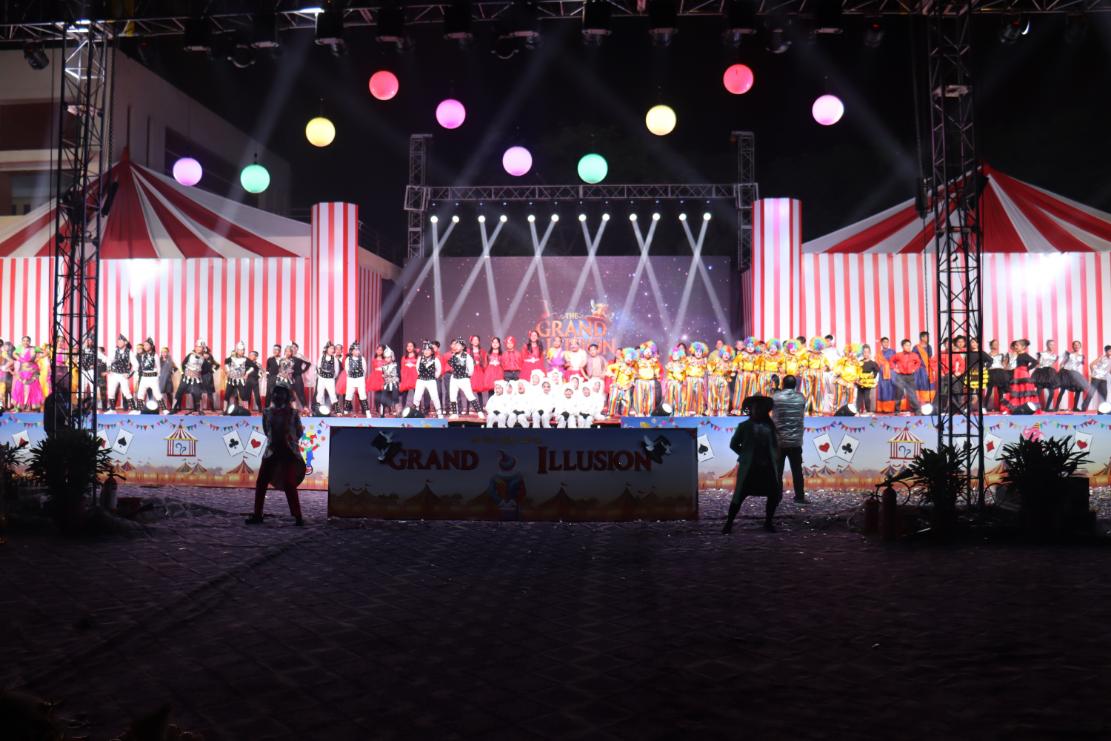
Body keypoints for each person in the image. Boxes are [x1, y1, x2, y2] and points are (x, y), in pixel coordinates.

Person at [722, 395, 783, 534]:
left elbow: (774, 444)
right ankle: (728, 524)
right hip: (750, 468)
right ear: (751, 410)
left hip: (767, 468)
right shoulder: (744, 426)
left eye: (761, 408)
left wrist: (775, 456)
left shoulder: (770, 426)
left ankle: (768, 522)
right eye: (756, 408)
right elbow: (733, 444)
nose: (758, 411)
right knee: (739, 495)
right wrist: (745, 456)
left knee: (773, 495)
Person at [246, 385, 305, 526]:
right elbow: (267, 431)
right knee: (261, 482)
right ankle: (257, 514)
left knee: (289, 483)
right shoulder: (267, 412)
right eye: (276, 393)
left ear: (287, 396)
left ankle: (298, 516)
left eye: (281, 393)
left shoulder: (293, 413)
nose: (278, 396)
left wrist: (289, 441)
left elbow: (299, 432)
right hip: (272, 450)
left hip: (288, 451)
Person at [772, 376, 807, 504]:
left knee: (777, 471)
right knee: (797, 471)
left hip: (779, 441)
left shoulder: (776, 397)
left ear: (783, 384)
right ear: (795, 385)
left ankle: (776, 497)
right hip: (795, 441)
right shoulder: (801, 398)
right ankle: (800, 497)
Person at [173, 341, 209, 414]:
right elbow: (183, 364)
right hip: (186, 378)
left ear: (203, 349)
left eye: (200, 347)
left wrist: (198, 372)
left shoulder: (204, 359)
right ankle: (174, 409)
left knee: (198, 394)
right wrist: (185, 373)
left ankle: (200, 410)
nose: (198, 348)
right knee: (179, 392)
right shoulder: (190, 355)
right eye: (197, 347)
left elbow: (207, 369)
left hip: (196, 379)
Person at [1056, 341, 1091, 412]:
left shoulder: (1081, 356)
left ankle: (1075, 407)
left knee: (1078, 390)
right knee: (1062, 390)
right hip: (1067, 372)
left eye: (1078, 345)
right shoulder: (1069, 354)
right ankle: (1056, 407)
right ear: (1072, 346)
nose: (1076, 346)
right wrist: (1060, 373)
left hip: (1075, 373)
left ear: (1080, 346)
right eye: (1075, 345)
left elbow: (1078, 366)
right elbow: (1062, 363)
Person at [1005, 340, 1039, 412]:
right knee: (1016, 390)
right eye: (1015, 345)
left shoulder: (1025, 355)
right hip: (1016, 374)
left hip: (1023, 375)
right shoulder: (1015, 355)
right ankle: (1016, 408)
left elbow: (1035, 362)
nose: (1015, 347)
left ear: (1023, 347)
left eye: (1017, 345)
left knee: (1024, 390)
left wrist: (1027, 368)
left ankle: (1026, 407)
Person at [891, 339, 923, 414]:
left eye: (909, 345)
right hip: (900, 376)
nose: (908, 347)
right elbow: (891, 361)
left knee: (912, 393)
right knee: (899, 393)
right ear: (903, 346)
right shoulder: (898, 355)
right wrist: (895, 368)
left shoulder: (914, 355)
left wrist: (914, 369)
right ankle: (897, 410)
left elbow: (918, 362)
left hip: (910, 377)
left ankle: (917, 411)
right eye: (906, 345)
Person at [106, 334, 137, 411]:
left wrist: (129, 374)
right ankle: (112, 410)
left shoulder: (129, 352)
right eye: (118, 341)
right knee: (111, 392)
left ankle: (134, 409)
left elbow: (136, 365)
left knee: (126, 392)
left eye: (120, 341)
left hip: (123, 375)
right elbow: (109, 360)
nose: (119, 342)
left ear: (125, 342)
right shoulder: (114, 351)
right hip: (114, 374)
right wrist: (109, 369)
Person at [412, 341, 442, 417]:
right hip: (421, 380)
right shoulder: (420, 359)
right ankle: (415, 413)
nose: (426, 352)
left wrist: (434, 376)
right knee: (417, 397)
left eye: (428, 350)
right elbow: (417, 368)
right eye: (425, 350)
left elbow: (439, 370)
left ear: (432, 351)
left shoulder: (435, 360)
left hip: (431, 380)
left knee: (435, 397)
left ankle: (439, 413)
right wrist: (422, 376)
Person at [1033, 340, 1061, 411]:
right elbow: (1037, 363)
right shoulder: (1041, 354)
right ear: (1047, 345)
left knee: (1052, 392)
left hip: (1050, 373)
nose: (1052, 346)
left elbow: (1052, 364)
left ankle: (1047, 408)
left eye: (1053, 345)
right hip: (1041, 372)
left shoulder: (1055, 356)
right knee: (1038, 391)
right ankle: (1035, 407)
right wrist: (1036, 372)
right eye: (1050, 344)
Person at [135, 338, 162, 409]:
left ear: (151, 346)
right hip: (144, 377)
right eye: (144, 345)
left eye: (147, 345)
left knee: (157, 394)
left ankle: (164, 409)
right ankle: (139, 409)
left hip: (153, 377)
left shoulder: (155, 355)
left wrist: (157, 378)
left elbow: (159, 368)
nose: (145, 346)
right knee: (140, 394)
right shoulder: (143, 355)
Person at [343, 342, 369, 417]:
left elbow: (364, 369)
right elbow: (347, 369)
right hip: (351, 379)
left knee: (363, 395)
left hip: (360, 379)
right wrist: (351, 376)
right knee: (348, 395)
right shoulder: (348, 359)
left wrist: (361, 377)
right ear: (352, 351)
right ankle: (345, 412)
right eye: (356, 350)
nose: (358, 351)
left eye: (358, 350)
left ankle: (367, 412)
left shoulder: (362, 359)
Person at [224, 342, 251, 411]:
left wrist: (247, 373)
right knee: (227, 395)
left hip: (240, 380)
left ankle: (246, 410)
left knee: (243, 395)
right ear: (237, 350)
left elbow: (253, 367)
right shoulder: (231, 358)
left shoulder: (246, 359)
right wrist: (228, 370)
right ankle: (224, 410)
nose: (243, 351)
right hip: (231, 380)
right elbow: (226, 362)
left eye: (244, 350)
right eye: (241, 350)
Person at [985, 340, 1011, 412]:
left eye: (997, 344)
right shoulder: (987, 355)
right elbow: (985, 365)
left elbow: (1004, 365)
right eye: (994, 344)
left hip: (1000, 372)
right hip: (991, 372)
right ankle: (984, 407)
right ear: (991, 345)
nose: (996, 345)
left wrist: (1006, 361)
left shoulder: (1002, 354)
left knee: (1000, 391)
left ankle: (1001, 408)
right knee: (989, 391)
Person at [315, 342, 339, 412]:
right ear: (327, 349)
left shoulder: (334, 359)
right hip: (321, 378)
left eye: (333, 349)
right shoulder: (321, 357)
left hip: (330, 379)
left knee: (332, 394)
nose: (332, 350)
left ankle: (337, 410)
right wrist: (321, 375)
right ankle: (319, 410)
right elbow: (318, 367)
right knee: (320, 394)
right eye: (331, 348)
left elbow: (336, 370)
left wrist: (331, 377)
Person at [857, 345, 880, 415]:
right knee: (859, 397)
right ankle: (858, 410)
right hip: (860, 382)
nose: (866, 354)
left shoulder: (872, 363)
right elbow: (856, 371)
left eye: (867, 352)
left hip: (868, 382)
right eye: (864, 352)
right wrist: (857, 379)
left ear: (870, 353)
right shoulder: (859, 362)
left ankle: (868, 410)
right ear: (862, 353)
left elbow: (877, 370)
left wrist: (873, 376)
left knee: (867, 397)